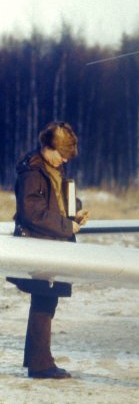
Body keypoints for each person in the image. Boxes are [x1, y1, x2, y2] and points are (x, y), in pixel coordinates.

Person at [7, 121, 89, 379]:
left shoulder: (52, 168)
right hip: (40, 246)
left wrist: (76, 212)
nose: (64, 160)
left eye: (67, 156)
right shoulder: (32, 173)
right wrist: (67, 227)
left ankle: (36, 360)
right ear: (46, 147)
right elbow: (31, 212)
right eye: (61, 154)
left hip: (52, 244)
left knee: (45, 303)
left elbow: (59, 200)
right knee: (43, 303)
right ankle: (41, 365)